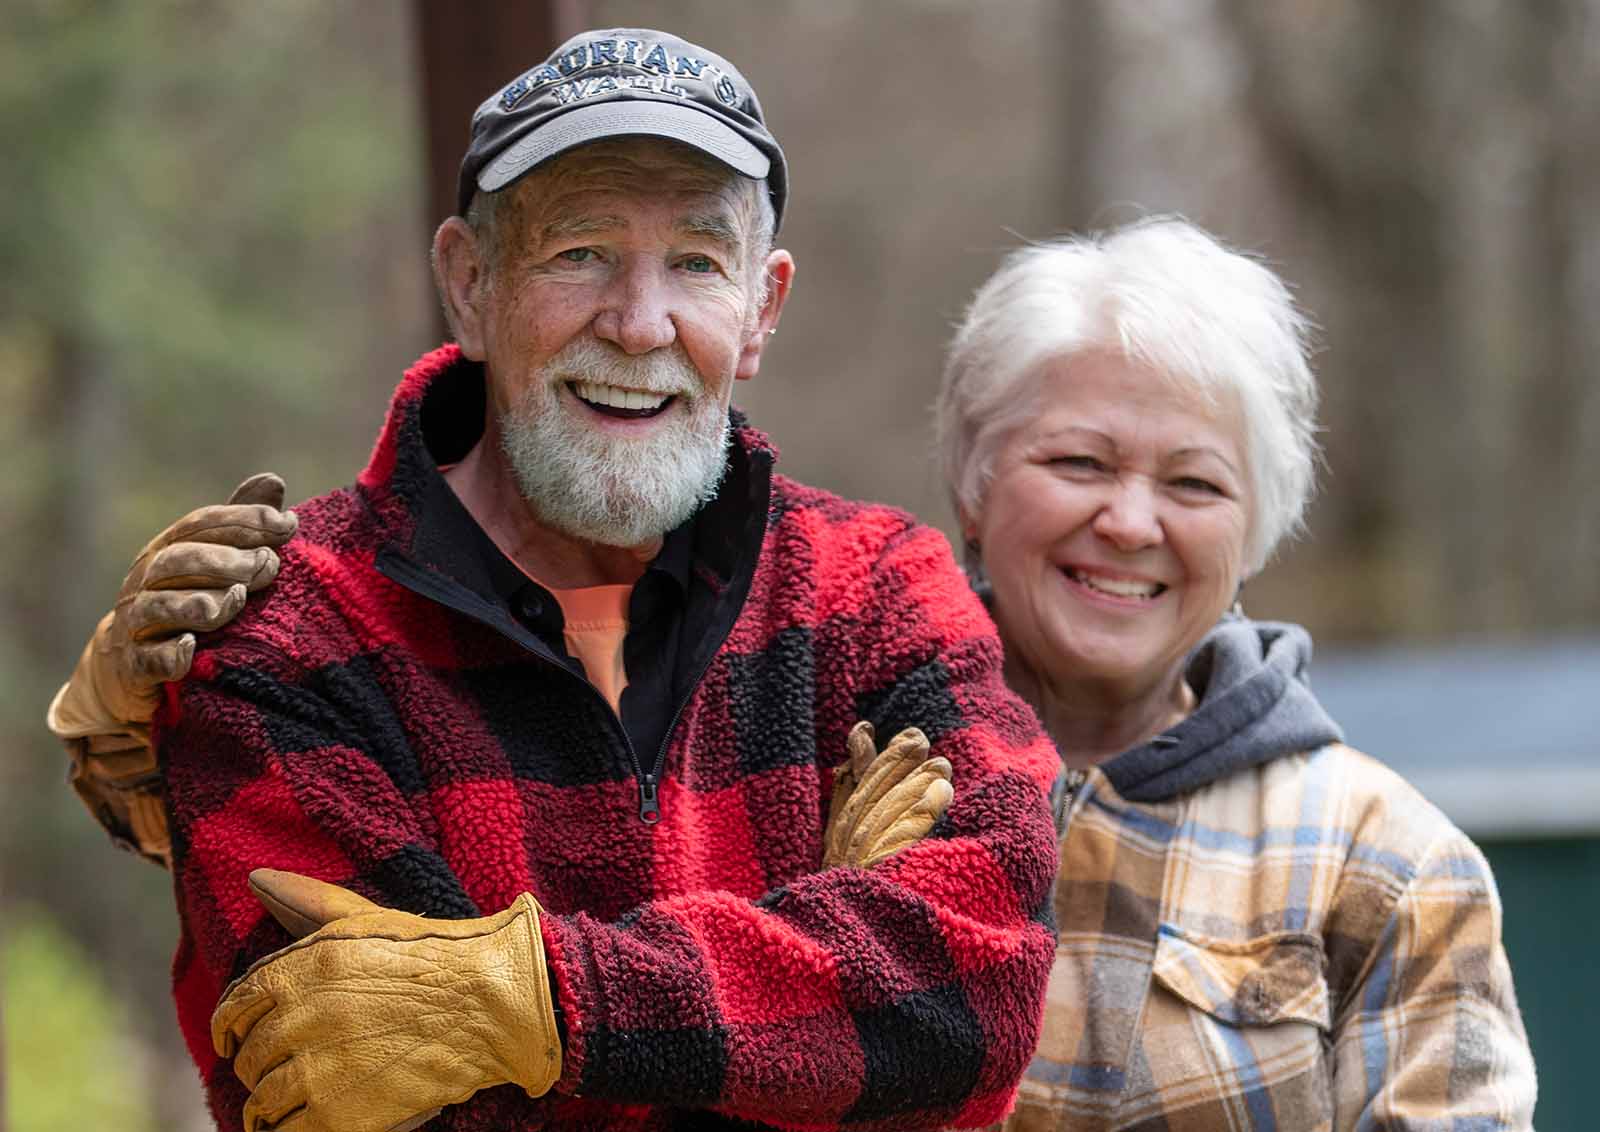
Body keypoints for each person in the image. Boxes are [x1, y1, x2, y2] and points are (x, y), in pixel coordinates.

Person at [47, 27, 1062, 1132]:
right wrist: (819, 998)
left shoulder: (876, 593)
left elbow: (984, 997)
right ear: (469, 284)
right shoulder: (283, 638)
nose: (637, 323)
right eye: (578, 253)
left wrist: (544, 1008)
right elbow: (324, 1090)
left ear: (761, 309)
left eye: (695, 261)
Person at [935, 218, 1537, 1130]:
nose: (1132, 523)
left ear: (1254, 537)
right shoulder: (828, 778)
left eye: (1194, 485)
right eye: (1078, 462)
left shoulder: (1385, 863)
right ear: (974, 490)